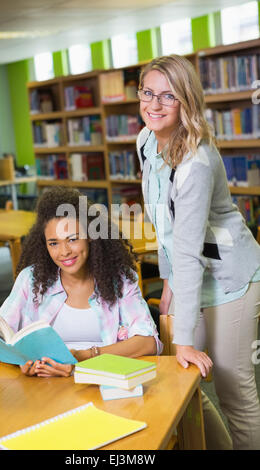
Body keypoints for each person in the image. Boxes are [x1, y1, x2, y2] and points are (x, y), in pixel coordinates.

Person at [136, 54, 260, 450]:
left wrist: (184, 337)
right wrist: (168, 277)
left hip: (229, 279)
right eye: (148, 92)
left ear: (186, 100)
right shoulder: (144, 142)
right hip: (190, 274)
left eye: (168, 96)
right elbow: (164, 225)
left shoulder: (196, 162)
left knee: (232, 388)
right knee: (183, 382)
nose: (154, 105)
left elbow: (190, 249)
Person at [0, 186, 161, 377]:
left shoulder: (120, 279)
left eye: (72, 239)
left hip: (103, 379)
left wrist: (82, 357)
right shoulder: (32, 279)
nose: (64, 251)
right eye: (54, 243)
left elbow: (148, 342)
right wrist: (21, 360)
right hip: (45, 387)